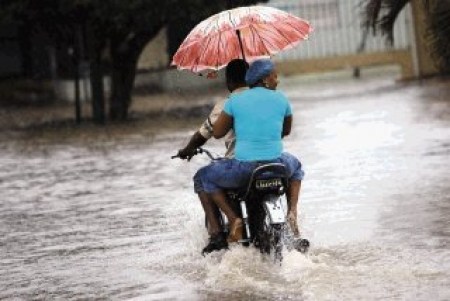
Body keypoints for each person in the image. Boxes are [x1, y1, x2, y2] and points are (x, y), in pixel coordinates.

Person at [195, 59, 304, 242]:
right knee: (297, 168)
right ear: (263, 79)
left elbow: (218, 133)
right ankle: (292, 212)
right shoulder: (281, 98)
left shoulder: (234, 101)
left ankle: (231, 220)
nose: (277, 80)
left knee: (203, 177)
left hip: (245, 169)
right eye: (274, 76)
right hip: (278, 164)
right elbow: (285, 131)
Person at [176, 59, 249, 254]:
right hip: (268, 162)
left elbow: (205, 134)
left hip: (239, 165)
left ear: (229, 81)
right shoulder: (266, 99)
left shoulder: (227, 105)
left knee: (203, 177)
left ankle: (217, 234)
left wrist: (187, 150)